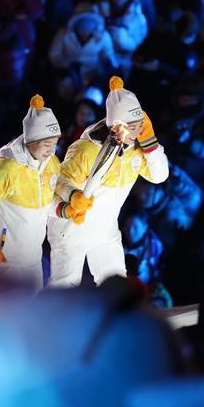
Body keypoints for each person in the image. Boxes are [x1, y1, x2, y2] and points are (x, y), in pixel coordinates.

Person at [47, 76, 169, 288]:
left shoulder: (136, 151)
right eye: (132, 127)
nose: (137, 132)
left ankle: (118, 309)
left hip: (106, 230)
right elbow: (59, 182)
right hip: (72, 227)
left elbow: (159, 176)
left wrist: (150, 144)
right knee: (65, 286)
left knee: (116, 284)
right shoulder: (87, 150)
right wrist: (73, 197)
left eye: (141, 126)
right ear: (116, 125)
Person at [0, 95, 76, 290]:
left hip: (32, 258)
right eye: (47, 144)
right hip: (2, 259)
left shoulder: (51, 164)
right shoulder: (8, 170)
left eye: (54, 143)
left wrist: (63, 210)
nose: (51, 150)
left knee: (33, 307)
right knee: (7, 309)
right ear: (31, 141)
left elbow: (42, 204)